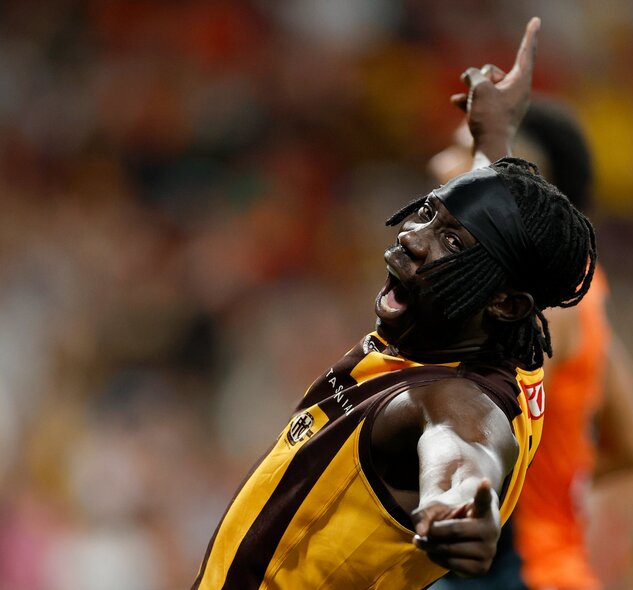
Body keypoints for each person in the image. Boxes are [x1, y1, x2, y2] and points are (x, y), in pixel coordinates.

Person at [191, 18, 600, 590]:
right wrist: (494, 137)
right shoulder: (507, 340)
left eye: (450, 241)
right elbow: (491, 226)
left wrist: (460, 505)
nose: (412, 236)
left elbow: (463, 448)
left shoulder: (449, 399)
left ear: (507, 303)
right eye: (428, 212)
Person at [429, 99, 633, 590]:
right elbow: (630, 446)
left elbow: (483, 423)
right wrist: (555, 490)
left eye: (465, 153)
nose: (440, 166)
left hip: (517, 574)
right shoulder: (579, 293)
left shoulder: (543, 307)